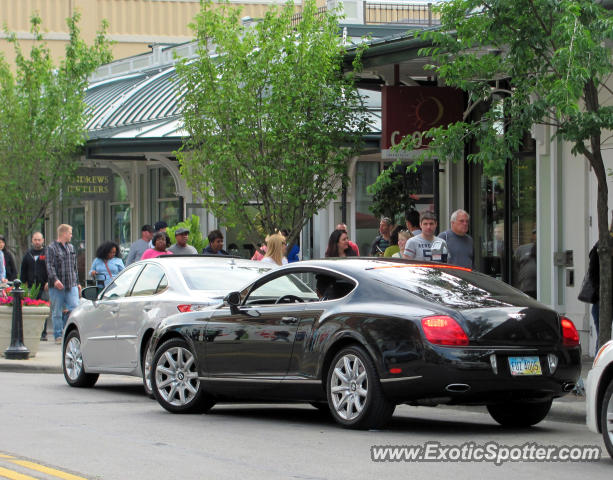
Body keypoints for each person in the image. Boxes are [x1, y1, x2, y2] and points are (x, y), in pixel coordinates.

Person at [46, 224, 81, 344]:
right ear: (64, 233)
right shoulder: (51, 248)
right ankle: (58, 335)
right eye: (70, 233)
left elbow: (74, 267)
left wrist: (78, 282)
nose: (71, 235)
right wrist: (55, 280)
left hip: (71, 283)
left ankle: (68, 331)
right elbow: (49, 265)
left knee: (74, 308)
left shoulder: (71, 247)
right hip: (57, 286)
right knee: (57, 311)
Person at [20, 232, 49, 340]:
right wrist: (23, 285)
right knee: (31, 310)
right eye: (35, 240)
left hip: (44, 287)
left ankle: (43, 333)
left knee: (43, 311)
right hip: (31, 288)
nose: (37, 242)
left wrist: (49, 281)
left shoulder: (47, 253)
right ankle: (32, 332)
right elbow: (23, 271)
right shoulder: (28, 254)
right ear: (32, 240)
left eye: (39, 240)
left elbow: (51, 269)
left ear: (43, 240)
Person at [514, 229, 537, 299]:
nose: (536, 235)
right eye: (535, 233)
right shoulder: (522, 249)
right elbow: (515, 267)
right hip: (526, 287)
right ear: (532, 236)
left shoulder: (547, 248)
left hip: (541, 288)